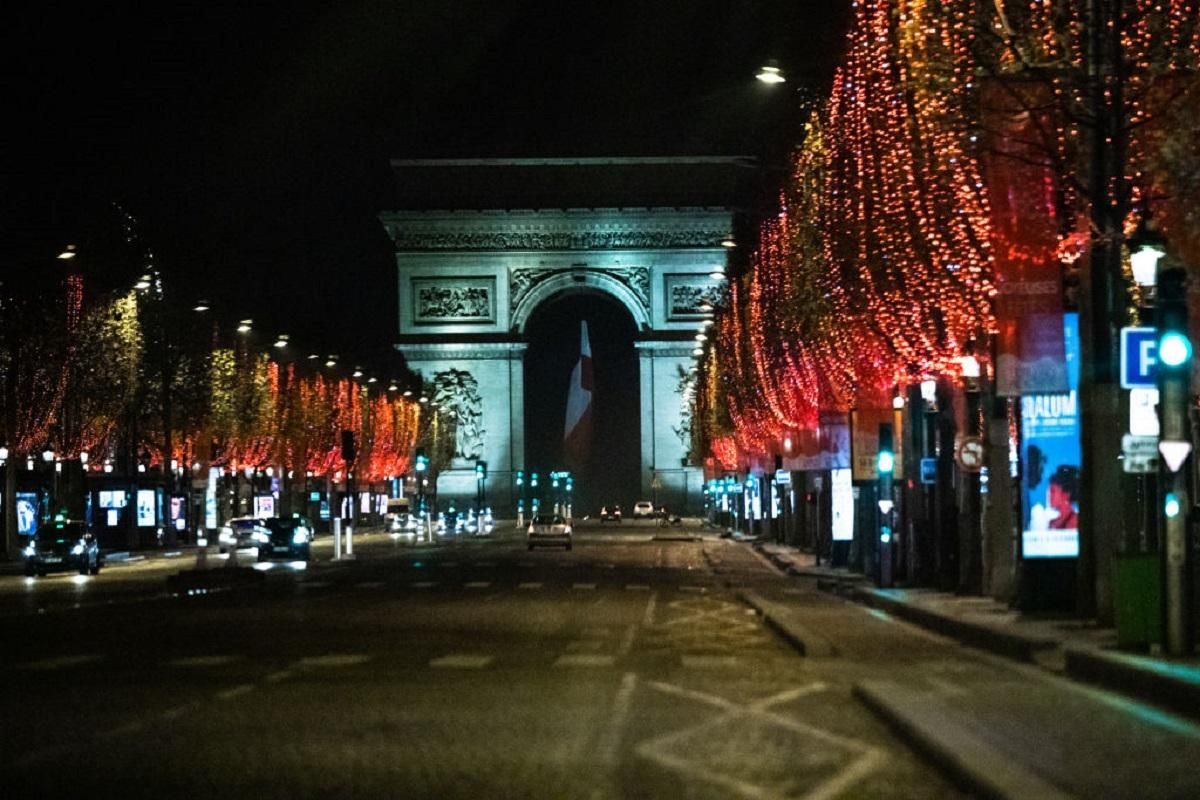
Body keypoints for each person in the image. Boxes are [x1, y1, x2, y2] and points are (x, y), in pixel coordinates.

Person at [1047, 465, 1080, 530]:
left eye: (1052, 491)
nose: (1049, 495)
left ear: (1067, 494)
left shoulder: (1075, 525)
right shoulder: (1052, 524)